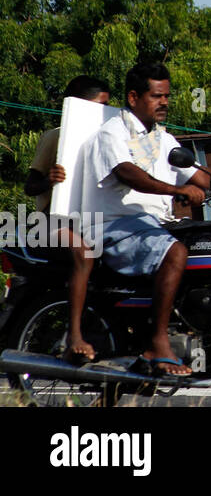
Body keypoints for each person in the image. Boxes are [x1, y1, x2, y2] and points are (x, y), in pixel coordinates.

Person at [82, 62, 211, 376]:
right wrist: (176, 190)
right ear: (133, 97)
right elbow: (128, 173)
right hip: (113, 224)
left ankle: (204, 335)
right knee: (175, 253)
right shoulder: (113, 133)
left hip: (150, 224)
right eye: (156, 96)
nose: (164, 102)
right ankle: (157, 342)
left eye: (167, 96)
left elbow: (200, 175)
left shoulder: (161, 138)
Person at [24, 76, 111, 364]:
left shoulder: (111, 141)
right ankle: (73, 335)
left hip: (93, 219)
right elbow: (30, 185)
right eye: (98, 106)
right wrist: (49, 180)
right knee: (84, 253)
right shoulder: (57, 136)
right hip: (53, 221)